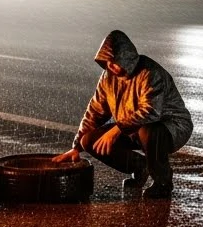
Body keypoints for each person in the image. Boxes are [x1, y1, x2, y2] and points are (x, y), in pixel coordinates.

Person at [52, 29, 193, 197]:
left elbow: (151, 112)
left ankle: (162, 182)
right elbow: (95, 110)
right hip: (131, 128)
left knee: (149, 130)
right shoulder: (108, 77)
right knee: (89, 140)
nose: (110, 66)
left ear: (126, 58)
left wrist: (116, 130)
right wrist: (76, 147)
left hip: (170, 127)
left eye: (114, 61)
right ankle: (139, 167)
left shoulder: (150, 72)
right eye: (107, 62)